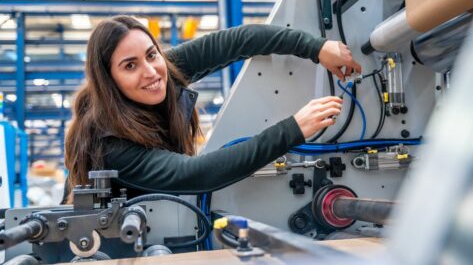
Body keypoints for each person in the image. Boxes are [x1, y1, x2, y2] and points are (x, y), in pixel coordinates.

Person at [63, 15, 361, 202]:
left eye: (151, 54)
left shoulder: (164, 70)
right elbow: (197, 174)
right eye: (130, 66)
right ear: (109, 80)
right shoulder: (108, 145)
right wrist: (293, 129)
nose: (151, 71)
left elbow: (233, 41)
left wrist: (315, 47)